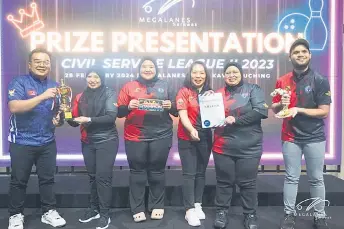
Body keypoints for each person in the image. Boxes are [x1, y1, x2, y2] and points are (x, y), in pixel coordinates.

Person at [271, 38, 331, 229]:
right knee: (291, 177)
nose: (300, 55)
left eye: (304, 51)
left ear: (310, 55)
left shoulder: (320, 80)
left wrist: (299, 110)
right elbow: (275, 108)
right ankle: (289, 215)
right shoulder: (283, 80)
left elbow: (324, 111)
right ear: (290, 57)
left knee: (316, 178)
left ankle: (319, 216)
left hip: (314, 137)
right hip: (291, 136)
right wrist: (283, 103)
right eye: (296, 52)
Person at [7, 48, 66, 229]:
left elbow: (56, 115)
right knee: (18, 181)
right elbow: (14, 107)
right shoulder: (19, 82)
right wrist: (42, 96)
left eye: (46, 62)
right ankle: (16, 215)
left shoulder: (55, 85)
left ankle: (49, 211)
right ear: (30, 64)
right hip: (22, 142)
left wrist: (59, 119)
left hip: (47, 141)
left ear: (50, 65)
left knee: (47, 179)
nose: (42, 65)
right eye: (38, 61)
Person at [117, 57, 178, 222]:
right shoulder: (129, 86)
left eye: (151, 66)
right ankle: (137, 207)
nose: (148, 69)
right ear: (139, 69)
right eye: (144, 66)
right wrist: (128, 107)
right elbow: (119, 112)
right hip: (135, 136)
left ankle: (157, 205)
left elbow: (177, 111)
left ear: (156, 69)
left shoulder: (166, 85)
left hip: (161, 135)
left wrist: (170, 106)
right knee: (137, 171)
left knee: (157, 171)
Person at [212, 62, 268, 229]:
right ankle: (221, 212)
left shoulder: (253, 89)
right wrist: (207, 101)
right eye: (228, 72)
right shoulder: (217, 94)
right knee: (223, 182)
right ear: (223, 76)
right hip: (222, 146)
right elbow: (210, 117)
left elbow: (261, 111)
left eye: (235, 72)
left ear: (241, 74)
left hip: (249, 147)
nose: (231, 75)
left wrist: (235, 120)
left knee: (248, 183)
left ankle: (250, 214)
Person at [66, 66, 118, 229]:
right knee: (92, 177)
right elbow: (74, 122)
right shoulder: (80, 96)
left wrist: (88, 119)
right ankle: (94, 209)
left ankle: (104, 214)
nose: (93, 80)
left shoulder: (109, 93)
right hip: (87, 141)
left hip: (107, 140)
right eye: (89, 76)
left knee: (103, 178)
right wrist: (66, 114)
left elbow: (110, 117)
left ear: (102, 78)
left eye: (96, 76)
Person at [176, 61, 213, 226]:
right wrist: (191, 130)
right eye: (195, 72)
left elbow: (215, 114)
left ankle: (198, 204)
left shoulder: (210, 93)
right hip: (187, 137)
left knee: (201, 172)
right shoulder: (183, 92)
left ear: (206, 75)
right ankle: (189, 209)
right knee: (189, 174)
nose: (198, 76)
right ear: (190, 74)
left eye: (202, 73)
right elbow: (182, 115)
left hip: (205, 137)